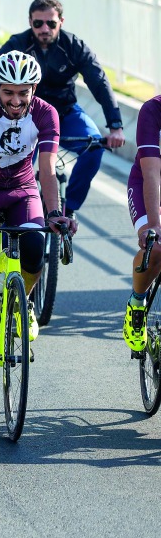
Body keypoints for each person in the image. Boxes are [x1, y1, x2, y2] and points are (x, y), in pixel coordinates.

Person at [0, 51, 76, 387]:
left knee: (36, 248)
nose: (16, 100)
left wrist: (54, 213)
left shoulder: (46, 114)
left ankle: (24, 302)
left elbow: (47, 170)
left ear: (34, 89)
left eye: (24, 92)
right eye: (8, 92)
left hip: (22, 191)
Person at [0, 0, 126, 216]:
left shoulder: (74, 46)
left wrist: (115, 125)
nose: (44, 29)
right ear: (30, 22)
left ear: (61, 22)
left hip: (65, 113)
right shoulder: (16, 45)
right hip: (23, 118)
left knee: (94, 148)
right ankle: (16, 207)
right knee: (15, 166)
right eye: (38, 23)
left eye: (51, 23)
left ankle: (68, 210)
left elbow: (99, 82)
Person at [122, 94, 161, 353]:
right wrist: (155, 225)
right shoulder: (153, 110)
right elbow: (151, 173)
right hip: (148, 185)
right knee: (155, 247)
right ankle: (137, 303)